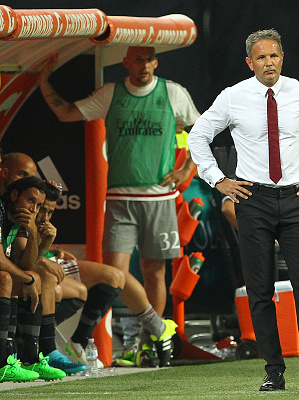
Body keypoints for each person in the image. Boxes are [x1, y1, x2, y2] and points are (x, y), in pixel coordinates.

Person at [188, 29, 299, 391]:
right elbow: (198, 136)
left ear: (282, 58)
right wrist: (218, 180)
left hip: (296, 197)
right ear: (250, 63)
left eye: (274, 56)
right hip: (252, 200)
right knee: (259, 290)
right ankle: (274, 371)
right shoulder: (233, 97)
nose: (269, 63)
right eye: (261, 57)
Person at [38, 46, 200, 367]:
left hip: (159, 198)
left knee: (154, 273)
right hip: (120, 197)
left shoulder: (172, 92)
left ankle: (146, 344)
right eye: (138, 59)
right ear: (126, 62)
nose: (144, 65)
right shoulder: (112, 93)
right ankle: (153, 330)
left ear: (156, 62)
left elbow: (202, 131)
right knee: (116, 275)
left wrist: (185, 171)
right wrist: (42, 80)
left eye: (149, 59)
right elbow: (65, 113)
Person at [34, 183, 126, 370]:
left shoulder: (38, 219)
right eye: (41, 210)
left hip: (47, 261)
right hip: (34, 266)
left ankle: (79, 341)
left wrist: (51, 250)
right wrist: (43, 257)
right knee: (60, 288)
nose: (45, 217)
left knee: (115, 277)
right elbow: (19, 254)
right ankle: (37, 343)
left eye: (50, 212)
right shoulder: (19, 211)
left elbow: (33, 249)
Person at [1, 176, 66, 380]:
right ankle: (3, 362)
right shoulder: (1, 210)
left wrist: (35, 234)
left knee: (32, 277)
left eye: (38, 206)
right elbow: (1, 261)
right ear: (14, 195)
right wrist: (27, 279)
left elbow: (25, 264)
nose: (34, 210)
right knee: (7, 279)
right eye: (30, 201)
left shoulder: (20, 220)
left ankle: (30, 359)